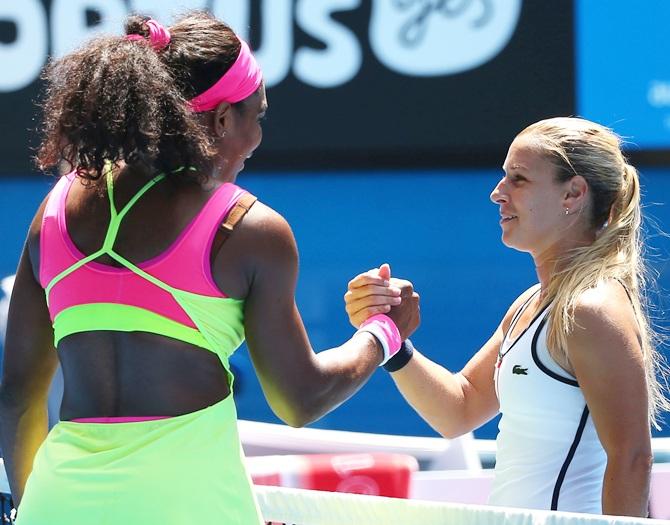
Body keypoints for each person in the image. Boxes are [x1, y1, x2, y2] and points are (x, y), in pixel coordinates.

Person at [0, 12, 419, 525]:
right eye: (256, 117)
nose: (258, 137)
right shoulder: (251, 228)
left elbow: (19, 397)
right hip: (189, 506)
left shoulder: (56, 210)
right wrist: (381, 333)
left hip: (55, 505)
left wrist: (29, 507)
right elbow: (300, 398)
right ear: (222, 120)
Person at [345, 117, 669, 517]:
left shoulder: (590, 310)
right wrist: (392, 342)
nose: (497, 194)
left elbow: (632, 459)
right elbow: (459, 409)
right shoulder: (531, 304)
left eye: (518, 179)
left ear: (573, 193)